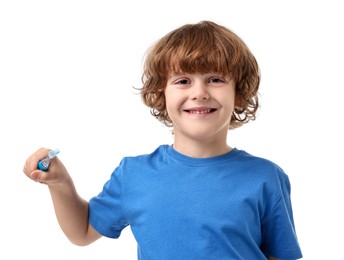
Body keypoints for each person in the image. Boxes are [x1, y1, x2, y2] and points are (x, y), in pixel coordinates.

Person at [23, 20, 302, 259]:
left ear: (238, 93)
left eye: (215, 79)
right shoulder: (133, 174)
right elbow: (82, 232)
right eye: (183, 81)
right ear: (161, 94)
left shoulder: (265, 177)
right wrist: (61, 184)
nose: (200, 92)